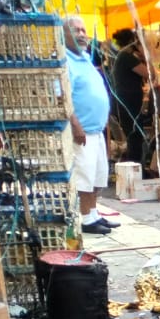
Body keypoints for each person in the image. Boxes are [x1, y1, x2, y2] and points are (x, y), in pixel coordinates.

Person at [64, 16, 115, 235]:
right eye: (76, 30)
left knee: (98, 175)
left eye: (83, 30)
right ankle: (85, 218)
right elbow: (63, 97)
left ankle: (93, 214)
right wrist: (76, 125)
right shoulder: (64, 61)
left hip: (96, 129)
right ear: (63, 34)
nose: (82, 34)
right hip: (81, 130)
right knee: (84, 178)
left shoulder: (84, 58)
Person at [108, 29, 149, 168]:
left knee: (134, 135)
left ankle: (135, 167)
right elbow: (150, 74)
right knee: (135, 136)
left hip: (126, 100)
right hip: (128, 101)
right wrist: (145, 56)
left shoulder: (122, 56)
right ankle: (135, 167)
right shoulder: (127, 57)